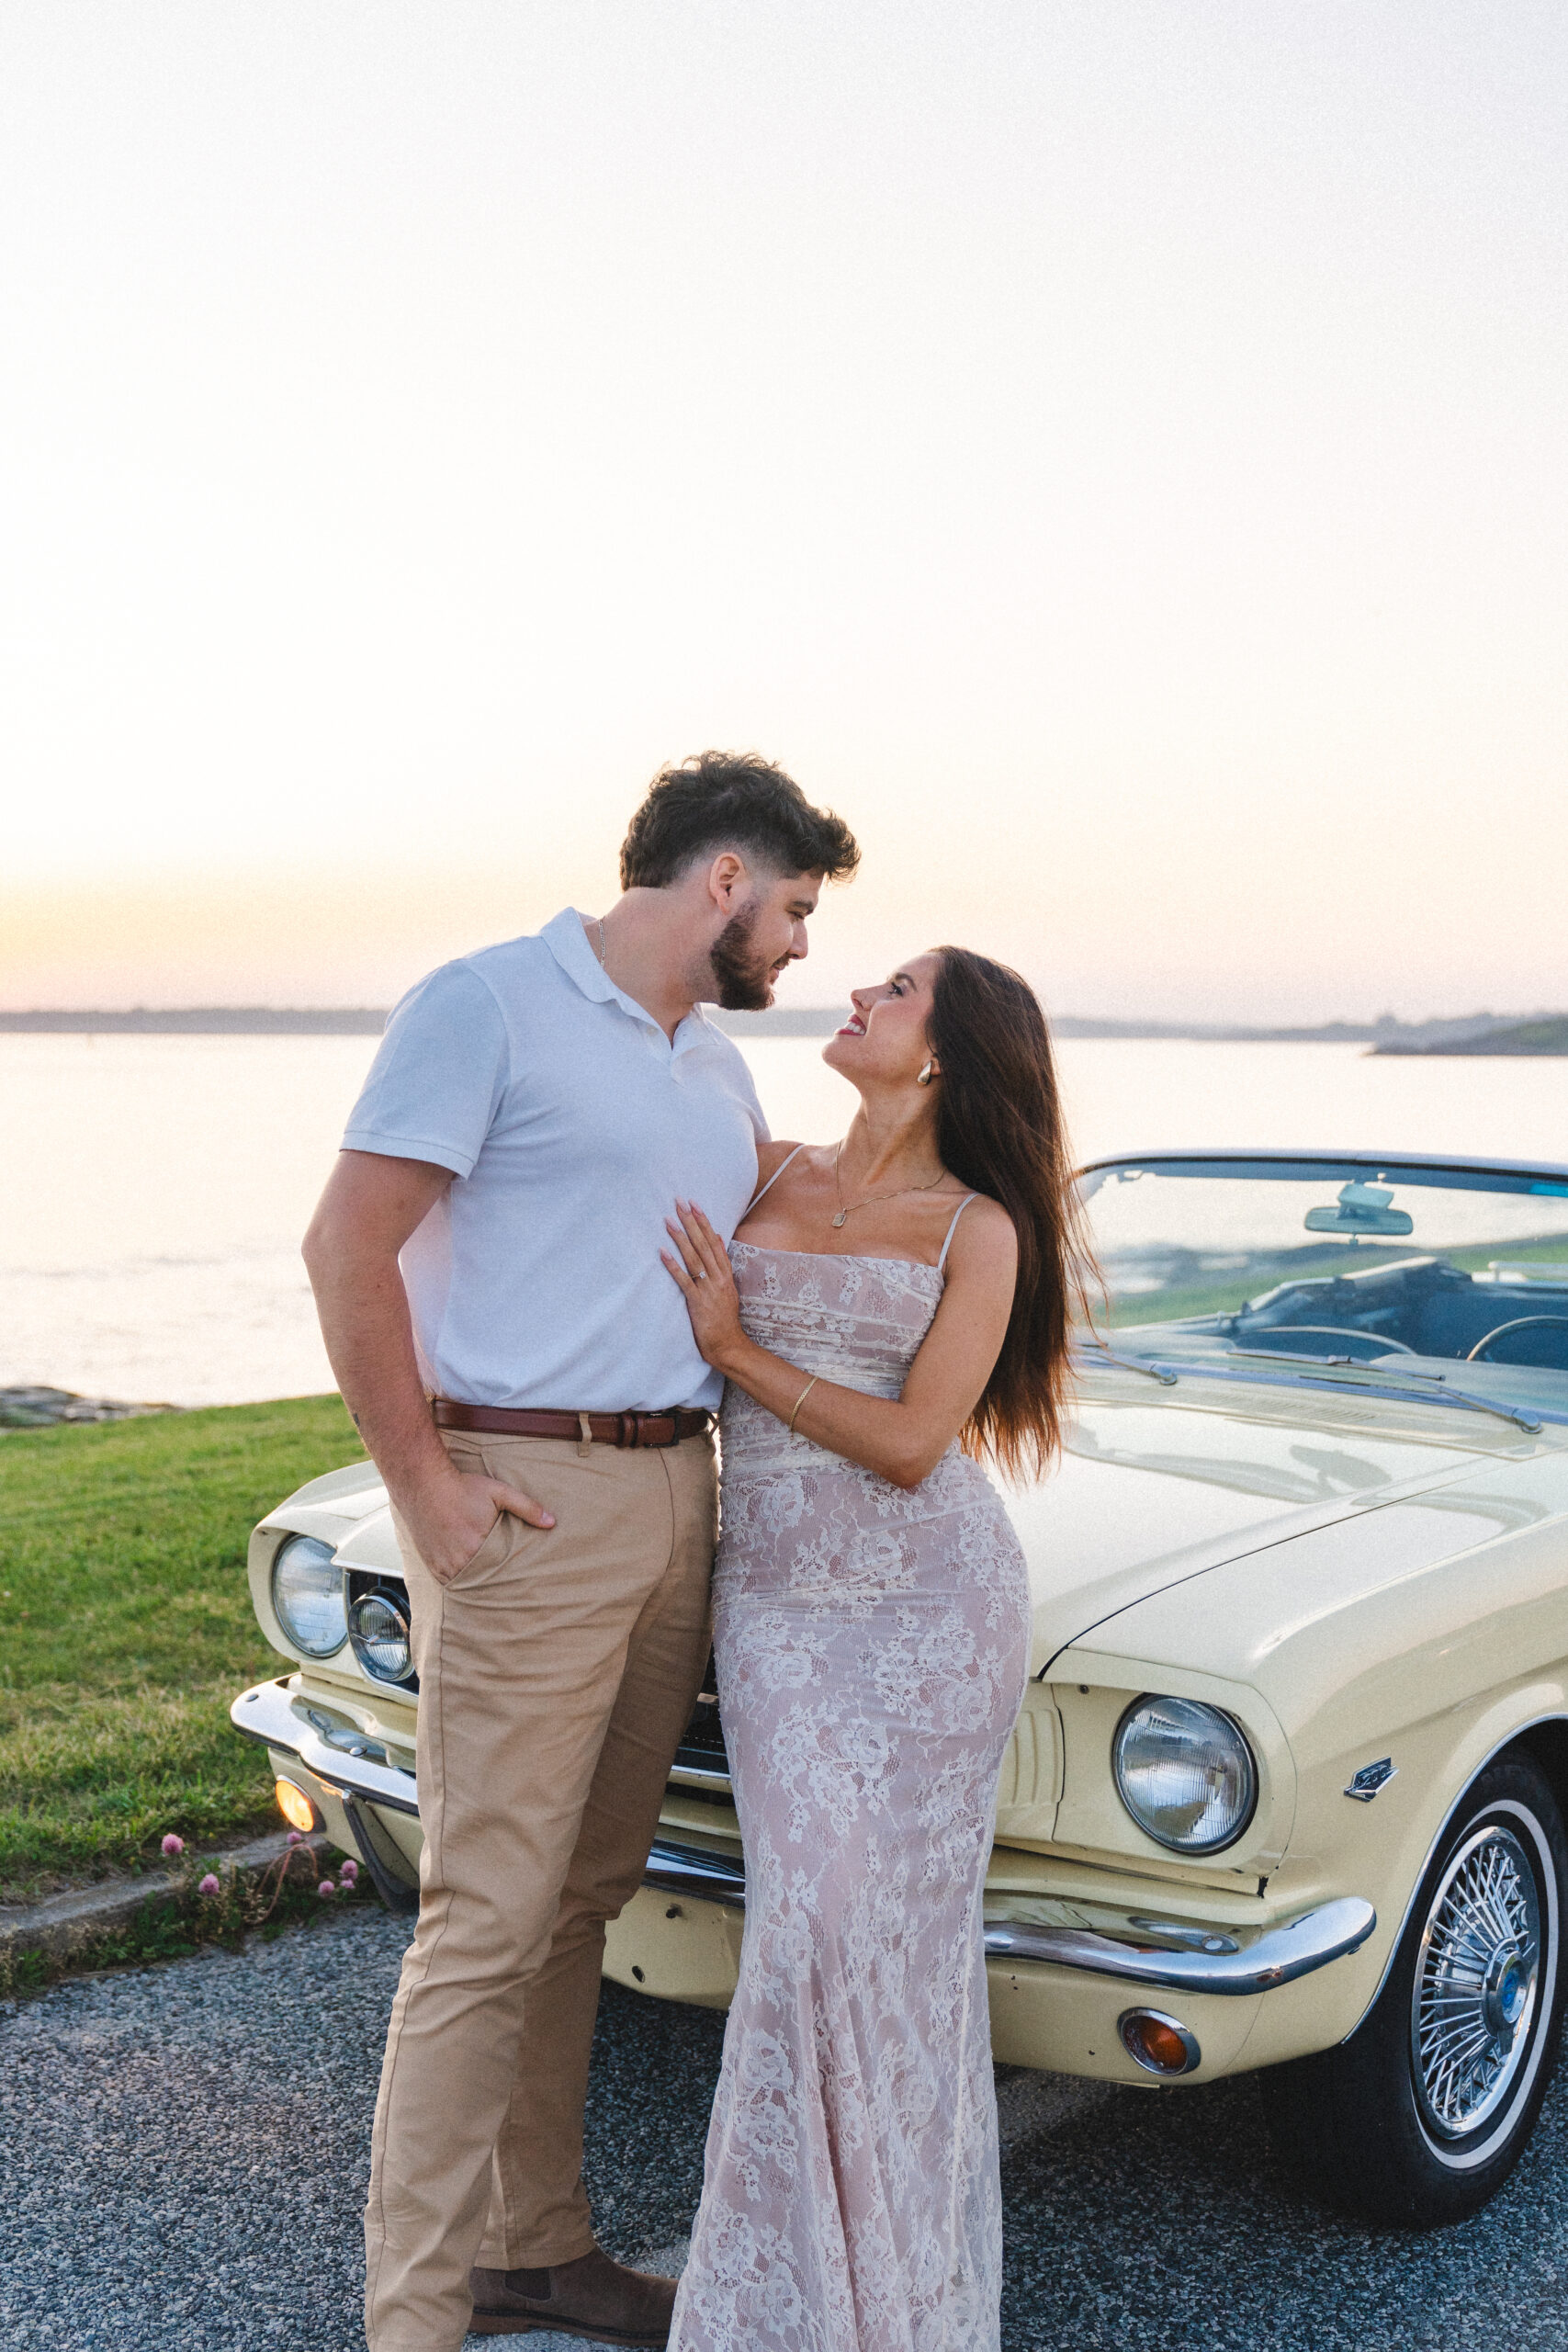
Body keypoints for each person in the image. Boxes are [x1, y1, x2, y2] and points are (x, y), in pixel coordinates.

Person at [301, 751, 859, 2352]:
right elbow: (348, 1244)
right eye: (801, 911)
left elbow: (791, 1211)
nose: (804, 950)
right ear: (727, 881)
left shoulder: (712, 1068)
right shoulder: (486, 1005)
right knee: (486, 1912)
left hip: (677, 1492)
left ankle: (533, 2248)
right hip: (524, 1495)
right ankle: (407, 2320)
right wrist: (422, 1484)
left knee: (581, 1893)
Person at [659, 945, 1087, 2352]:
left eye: (893, 989)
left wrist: (735, 1341)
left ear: (947, 1050)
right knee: (810, 1925)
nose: (855, 993)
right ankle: (784, 2308)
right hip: (778, 1609)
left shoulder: (980, 1231)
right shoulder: (765, 1172)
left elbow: (916, 1446)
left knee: (886, 1944)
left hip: (931, 1616)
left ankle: (892, 2297)